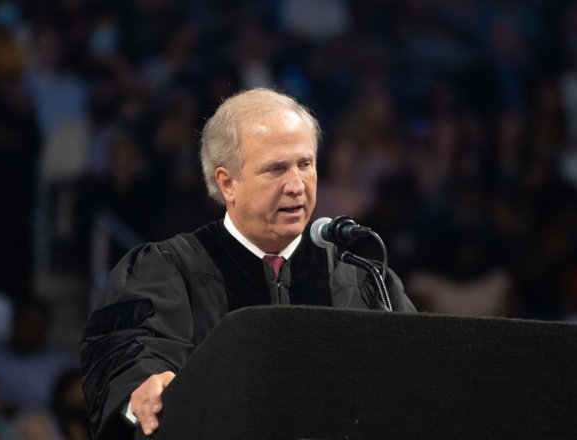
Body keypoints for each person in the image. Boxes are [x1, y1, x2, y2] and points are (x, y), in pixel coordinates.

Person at [80, 88, 416, 438]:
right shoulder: (166, 272)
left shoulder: (361, 280)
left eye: (305, 164)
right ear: (227, 183)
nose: (297, 185)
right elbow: (133, 353)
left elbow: (416, 384)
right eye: (276, 169)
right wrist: (143, 390)